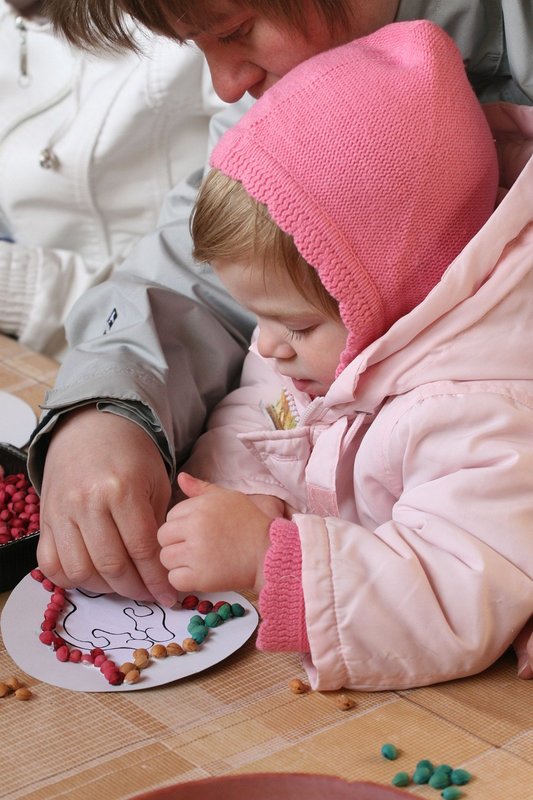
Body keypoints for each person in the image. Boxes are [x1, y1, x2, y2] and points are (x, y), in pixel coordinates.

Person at [31, 0, 533, 678]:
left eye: (235, 31)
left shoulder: (476, 413)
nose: (224, 86)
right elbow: (259, 399)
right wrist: (230, 484)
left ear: (408, 292)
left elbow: (456, 590)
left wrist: (276, 563)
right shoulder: (312, 328)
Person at [0, 0, 232, 358]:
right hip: (40, 344)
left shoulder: (179, 29)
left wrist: (21, 288)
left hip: (163, 347)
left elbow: (234, 258)